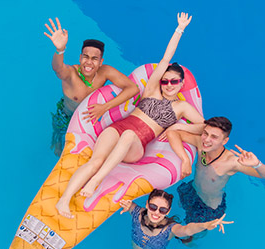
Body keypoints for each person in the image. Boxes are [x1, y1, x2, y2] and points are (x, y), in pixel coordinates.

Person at [56, 12, 204, 218]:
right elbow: (165, 58)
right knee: (95, 160)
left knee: (127, 137)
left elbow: (204, 127)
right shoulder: (152, 89)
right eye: (165, 80)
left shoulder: (182, 108)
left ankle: (96, 181)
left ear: (180, 84)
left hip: (136, 145)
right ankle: (63, 200)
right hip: (119, 128)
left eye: (173, 82)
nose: (168, 85)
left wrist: (178, 127)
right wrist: (179, 29)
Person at [44, 17, 139, 156]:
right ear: (80, 57)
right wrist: (60, 50)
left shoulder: (105, 72)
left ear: (101, 62)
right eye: (85, 57)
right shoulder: (71, 74)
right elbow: (58, 68)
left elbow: (133, 88)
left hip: (90, 116)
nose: (89, 62)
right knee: (59, 143)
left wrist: (105, 107)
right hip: (66, 113)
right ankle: (57, 142)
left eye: (94, 59)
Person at [166, 116, 265, 226]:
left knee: (188, 239)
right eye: (205, 133)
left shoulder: (231, 162)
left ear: (225, 141)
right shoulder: (201, 143)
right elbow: (173, 133)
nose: (207, 140)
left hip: (208, 206)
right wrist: (185, 160)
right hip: (192, 190)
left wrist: (257, 164)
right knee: (179, 207)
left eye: (214, 137)